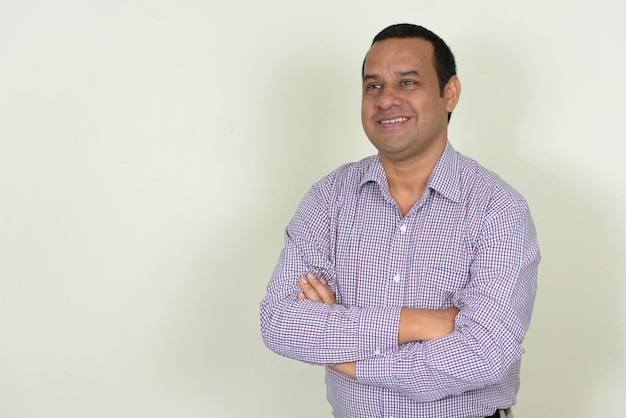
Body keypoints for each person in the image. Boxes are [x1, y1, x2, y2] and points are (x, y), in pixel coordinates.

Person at [260, 23, 540, 418]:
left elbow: (486, 352)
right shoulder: (330, 197)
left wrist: (351, 359)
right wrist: (420, 323)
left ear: (450, 93)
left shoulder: (499, 209)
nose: (386, 99)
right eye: (373, 86)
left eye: (408, 82)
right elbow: (280, 320)